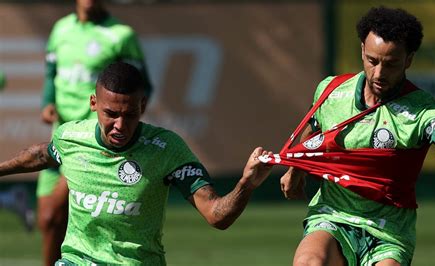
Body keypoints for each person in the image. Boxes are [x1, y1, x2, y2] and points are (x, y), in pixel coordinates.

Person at [259, 6, 435, 266]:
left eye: (391, 64)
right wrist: (296, 170)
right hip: (333, 215)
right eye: (372, 61)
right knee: (309, 263)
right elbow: (315, 126)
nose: (379, 73)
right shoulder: (331, 90)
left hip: (389, 231)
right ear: (362, 50)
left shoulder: (425, 110)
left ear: (409, 60)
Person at [0, 62, 272, 265]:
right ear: (94, 103)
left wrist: (246, 184)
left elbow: (216, 215)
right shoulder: (71, 137)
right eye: (111, 114)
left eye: (129, 115)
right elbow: (42, 154)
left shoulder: (167, 149)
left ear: (142, 106)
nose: (120, 125)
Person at [37, 0, 152, 264]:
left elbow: (145, 87)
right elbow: (51, 73)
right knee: (48, 220)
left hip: (91, 143)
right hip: (61, 136)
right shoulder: (61, 29)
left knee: (54, 212)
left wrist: (121, 125)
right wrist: (47, 103)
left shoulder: (121, 35)